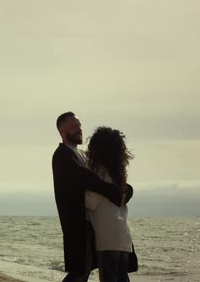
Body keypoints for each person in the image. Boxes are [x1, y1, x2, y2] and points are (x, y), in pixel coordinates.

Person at [52, 112, 133, 282]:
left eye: (80, 126)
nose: (79, 129)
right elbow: (85, 178)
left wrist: (125, 190)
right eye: (74, 126)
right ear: (61, 129)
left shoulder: (84, 155)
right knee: (80, 271)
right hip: (78, 223)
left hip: (94, 224)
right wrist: (117, 192)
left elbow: (107, 172)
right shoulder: (62, 155)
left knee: (87, 270)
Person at [85, 127, 137, 282]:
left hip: (107, 237)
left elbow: (90, 202)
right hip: (123, 237)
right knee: (122, 278)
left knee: (109, 278)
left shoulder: (99, 172)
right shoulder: (117, 174)